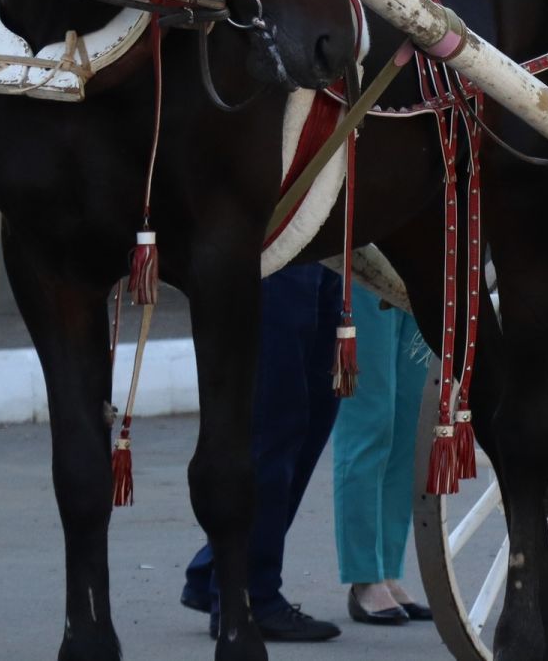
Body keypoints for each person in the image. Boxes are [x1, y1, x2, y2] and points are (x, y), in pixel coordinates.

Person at [179, 263, 343, 643]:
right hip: (276, 245)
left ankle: (217, 569)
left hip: (326, 248)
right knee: (274, 421)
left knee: (318, 407)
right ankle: (252, 592)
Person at [331, 280, 432, 626]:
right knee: (371, 417)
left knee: (409, 421)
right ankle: (364, 574)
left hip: (423, 254)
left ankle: (388, 567)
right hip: (367, 253)